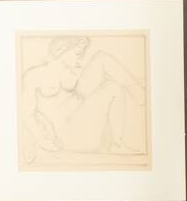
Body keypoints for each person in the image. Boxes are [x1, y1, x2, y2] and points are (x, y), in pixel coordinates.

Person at [19, 34, 147, 165]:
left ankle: (118, 142)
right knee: (106, 71)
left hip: (81, 124)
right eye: (77, 54)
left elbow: (82, 91)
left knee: (109, 77)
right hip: (65, 135)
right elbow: (26, 114)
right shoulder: (33, 75)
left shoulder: (69, 73)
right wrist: (42, 139)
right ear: (62, 51)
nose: (79, 60)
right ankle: (140, 94)